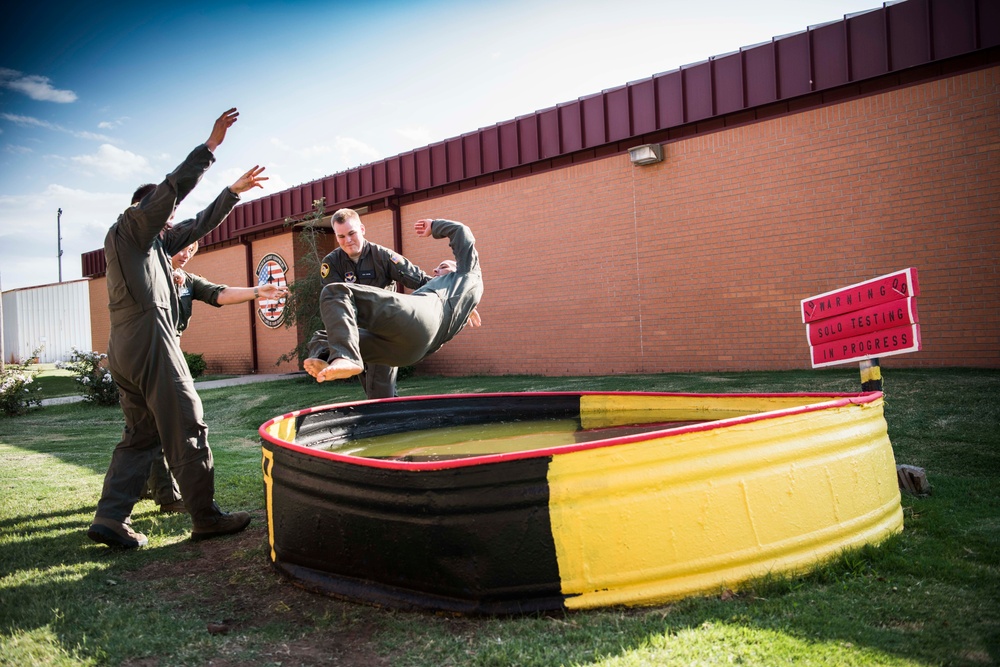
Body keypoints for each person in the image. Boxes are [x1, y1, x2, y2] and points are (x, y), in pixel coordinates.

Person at [88, 108, 267, 549]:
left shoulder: (150, 246)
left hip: (125, 349)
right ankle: (205, 517)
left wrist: (231, 192)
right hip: (150, 344)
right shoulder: (132, 226)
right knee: (188, 424)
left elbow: (197, 225)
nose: (172, 225)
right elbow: (172, 190)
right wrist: (210, 148)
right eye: (165, 219)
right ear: (145, 210)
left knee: (141, 436)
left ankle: (110, 518)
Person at [143, 241, 288, 514]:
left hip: (168, 350)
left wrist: (259, 291)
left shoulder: (187, 279)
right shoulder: (145, 271)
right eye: (182, 248)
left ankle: (139, 489)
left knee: (147, 427)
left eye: (192, 250)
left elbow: (219, 293)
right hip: (149, 354)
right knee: (171, 423)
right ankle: (170, 498)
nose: (186, 255)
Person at [305, 218, 483, 383]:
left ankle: (344, 357)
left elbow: (461, 231)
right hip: (408, 351)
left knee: (335, 291)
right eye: (342, 236)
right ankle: (328, 360)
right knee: (323, 338)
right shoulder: (451, 292)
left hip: (417, 322)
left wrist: (433, 225)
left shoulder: (467, 273)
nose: (435, 271)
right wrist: (468, 305)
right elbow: (438, 291)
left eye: (443, 267)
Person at [315, 207, 432, 398]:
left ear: (362, 229)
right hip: (355, 336)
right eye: (341, 236)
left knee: (379, 390)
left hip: (384, 334)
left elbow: (420, 280)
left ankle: (386, 421)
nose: (348, 240)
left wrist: (455, 298)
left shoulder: (383, 256)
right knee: (373, 390)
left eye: (351, 233)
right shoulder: (332, 262)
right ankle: (396, 422)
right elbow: (334, 301)